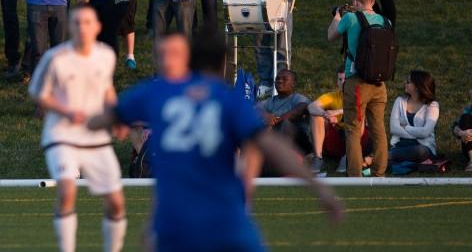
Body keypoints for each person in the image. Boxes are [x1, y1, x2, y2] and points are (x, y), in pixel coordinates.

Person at [90, 33, 341, 252]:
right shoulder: (226, 99)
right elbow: (271, 146)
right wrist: (319, 188)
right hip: (224, 219)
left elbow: (101, 119)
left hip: (173, 223)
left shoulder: (154, 93)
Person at [28, 5, 126, 252]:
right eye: (77, 23)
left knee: (116, 203)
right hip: (61, 135)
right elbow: (39, 94)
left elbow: (107, 89)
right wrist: (67, 111)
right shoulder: (56, 58)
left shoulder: (106, 55)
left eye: (87, 22)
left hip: (96, 138)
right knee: (67, 192)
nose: (82, 27)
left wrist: (118, 118)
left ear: (97, 27)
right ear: (70, 27)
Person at [327, 0, 389, 177]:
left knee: (353, 129)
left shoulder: (350, 18)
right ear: (373, 1)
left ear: (355, 1)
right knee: (378, 128)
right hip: (380, 83)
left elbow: (331, 35)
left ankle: (355, 176)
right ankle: (379, 172)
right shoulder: (386, 21)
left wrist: (337, 15)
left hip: (357, 83)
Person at [308, 69, 372, 175]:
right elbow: (311, 107)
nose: (343, 82)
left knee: (359, 117)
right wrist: (325, 115)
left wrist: (336, 112)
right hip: (337, 140)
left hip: (357, 140)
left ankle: (349, 157)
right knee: (316, 115)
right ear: (337, 82)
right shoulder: (332, 96)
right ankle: (318, 158)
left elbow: (360, 110)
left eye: (346, 79)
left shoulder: (361, 96)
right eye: (340, 79)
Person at [388, 70, 439, 165]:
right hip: (400, 145)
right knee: (403, 153)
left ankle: (386, 157)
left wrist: (406, 127)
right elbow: (394, 129)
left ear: (417, 87)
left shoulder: (432, 105)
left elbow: (425, 132)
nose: (405, 83)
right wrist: (415, 136)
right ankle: (383, 161)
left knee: (420, 151)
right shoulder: (400, 101)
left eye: (408, 82)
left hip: (422, 146)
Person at [257, 69, 311, 156]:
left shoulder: (298, 98)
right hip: (275, 139)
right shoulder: (270, 101)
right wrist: (265, 115)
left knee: (284, 124)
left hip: (299, 142)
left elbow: (299, 110)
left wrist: (273, 123)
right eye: (277, 79)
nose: (280, 81)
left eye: (284, 79)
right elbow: (253, 109)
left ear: (294, 83)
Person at [453, 89, 472, 172]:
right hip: (469, 145)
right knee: (466, 117)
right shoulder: (468, 110)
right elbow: (454, 127)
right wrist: (462, 133)